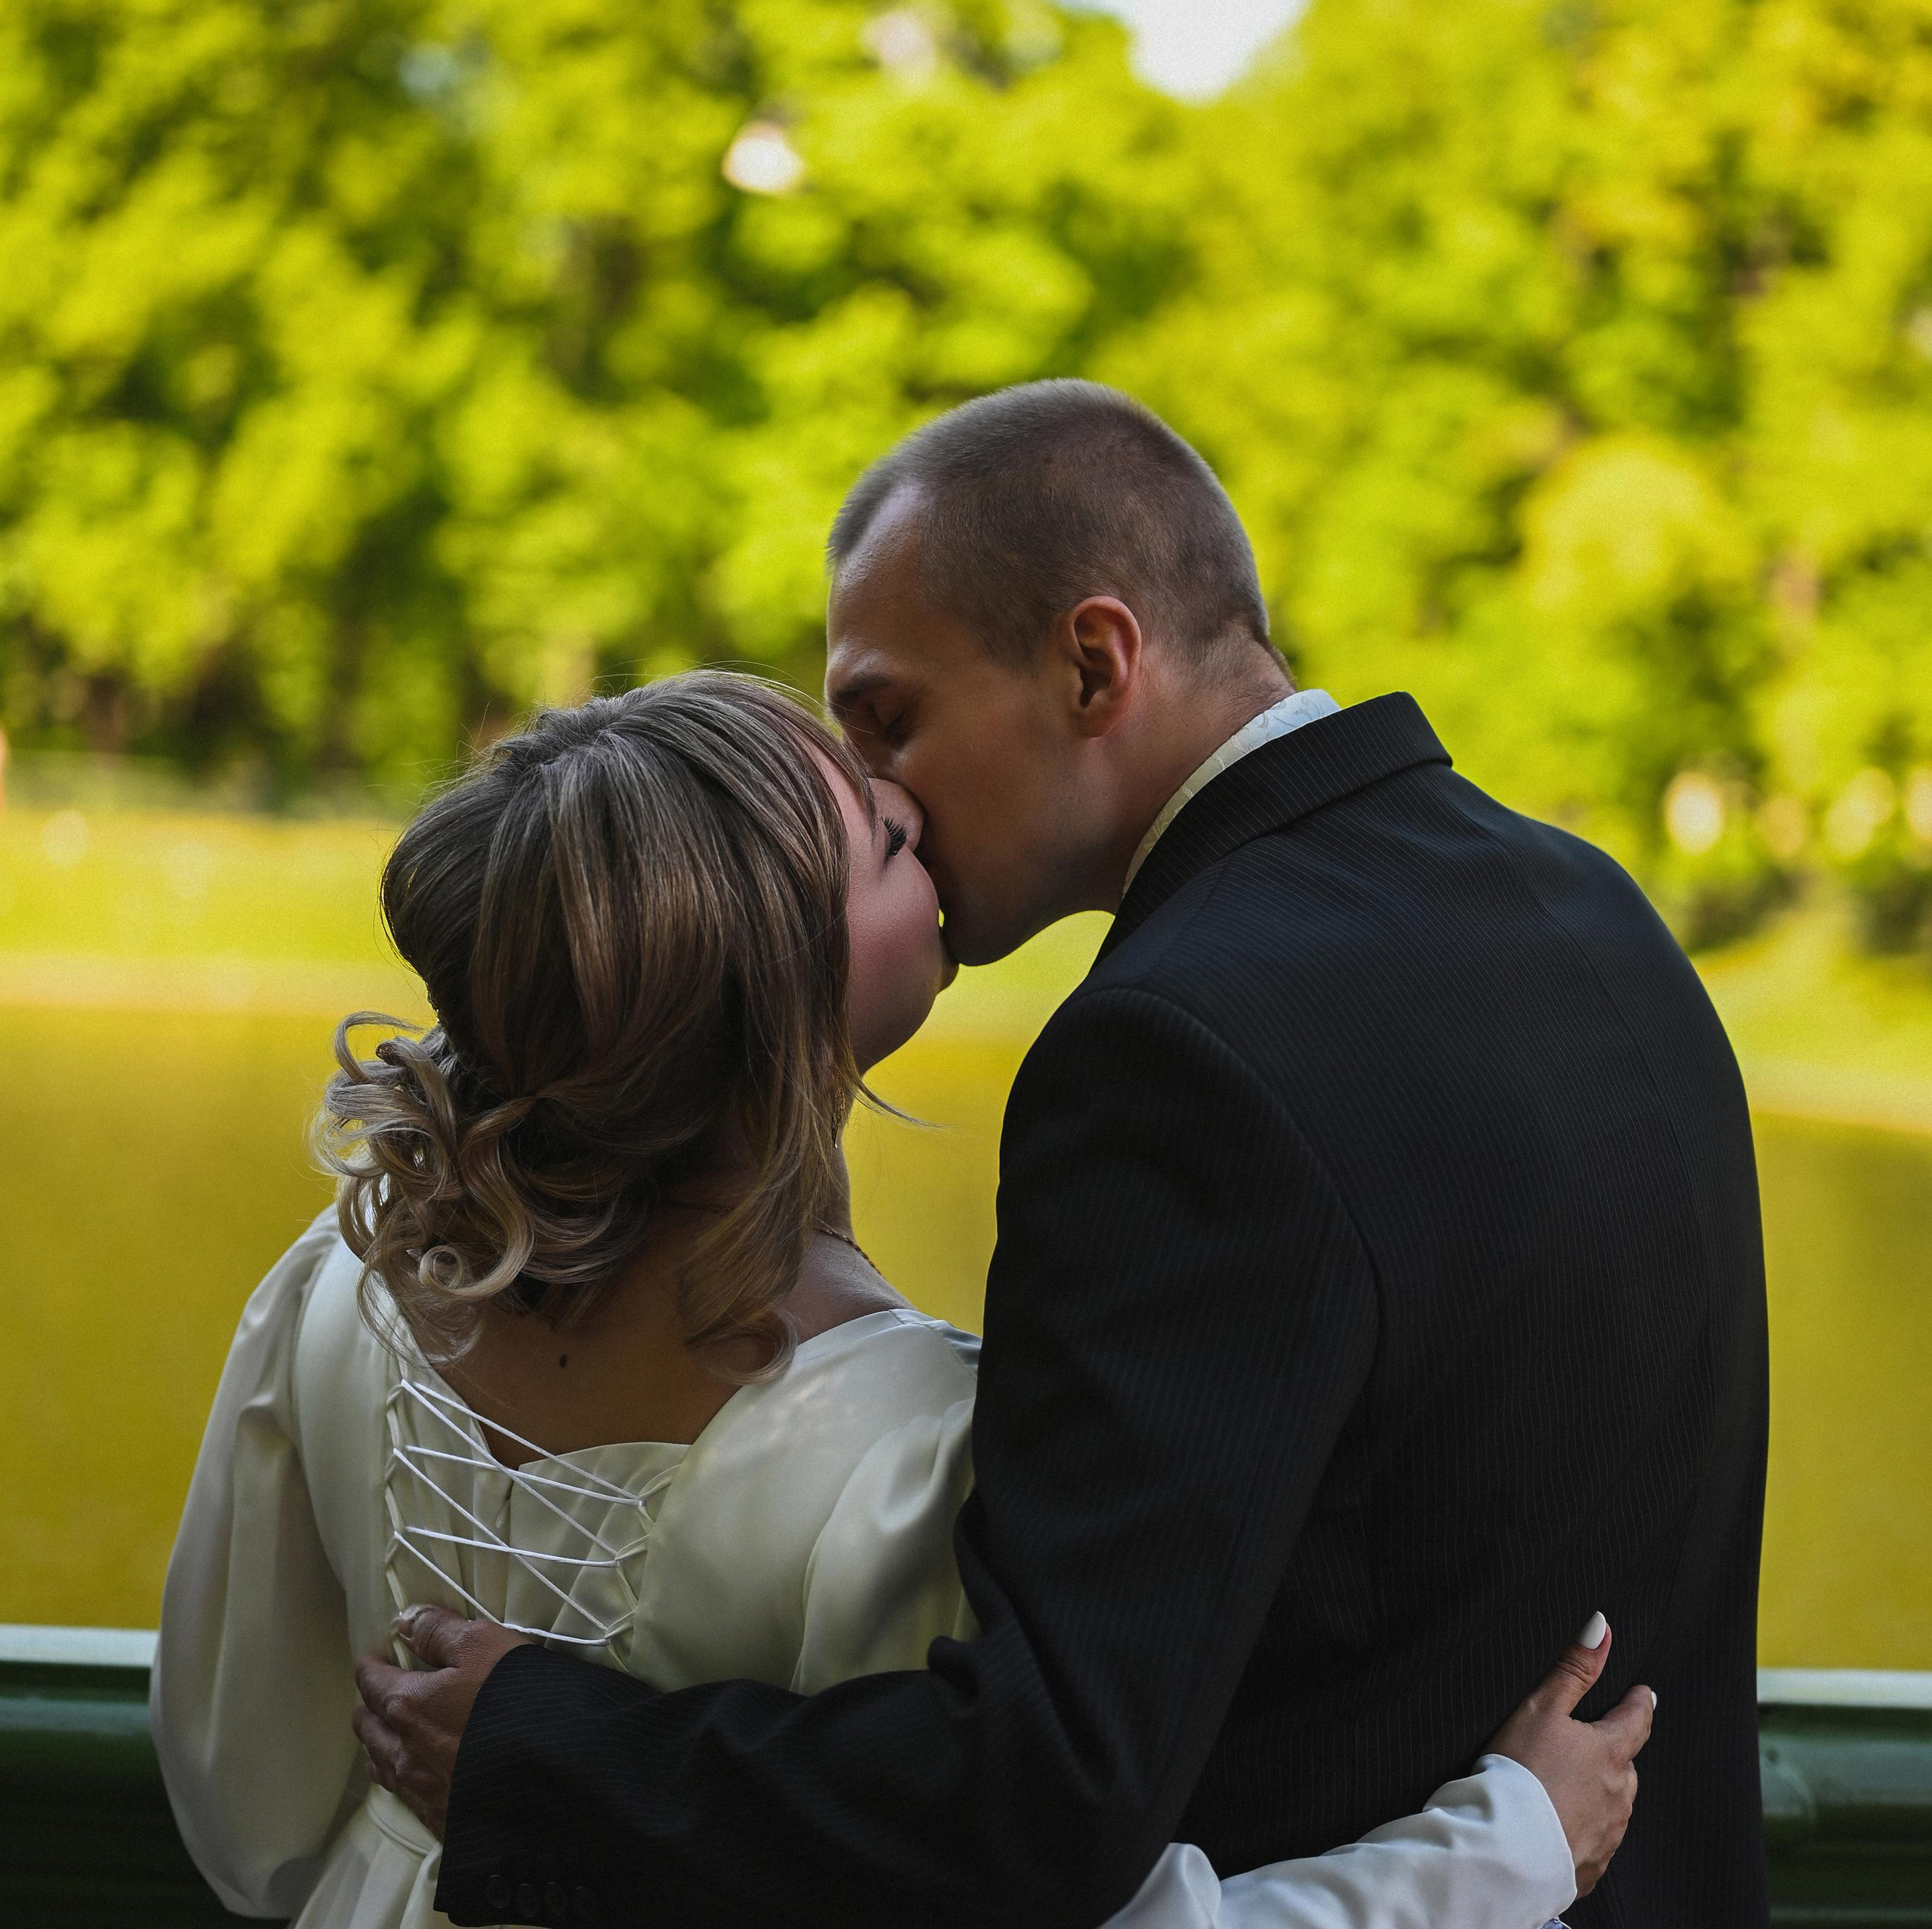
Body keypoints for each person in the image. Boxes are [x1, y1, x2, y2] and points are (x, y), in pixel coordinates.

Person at [359, 383, 1768, 1929]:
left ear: (1092, 661)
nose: (877, 791)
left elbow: (1041, 1788)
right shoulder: (1587, 903)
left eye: (887, 714)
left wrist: (544, 1748)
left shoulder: (1177, 1050)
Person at [152, 674, 1644, 1929]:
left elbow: (251, 1799)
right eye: (876, 838)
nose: (917, 817)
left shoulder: (347, 1274)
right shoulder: (903, 1440)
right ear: (782, 986)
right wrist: (1495, 1852)